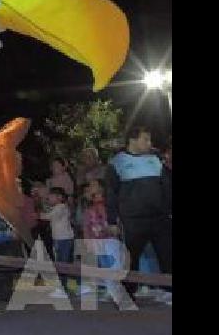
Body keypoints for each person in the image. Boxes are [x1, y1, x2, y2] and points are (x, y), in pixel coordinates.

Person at [106, 126, 172, 305]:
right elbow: (111, 193)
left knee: (167, 255)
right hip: (133, 220)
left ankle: (168, 290)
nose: (149, 143)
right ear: (132, 140)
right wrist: (112, 220)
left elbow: (166, 186)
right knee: (131, 259)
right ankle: (127, 294)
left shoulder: (156, 159)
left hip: (159, 218)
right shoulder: (116, 162)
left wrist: (169, 210)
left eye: (150, 140)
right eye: (146, 139)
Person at [39, 187, 92, 298]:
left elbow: (49, 216)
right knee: (68, 262)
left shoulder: (61, 207)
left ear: (59, 197)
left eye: (51, 196)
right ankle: (81, 286)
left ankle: (62, 289)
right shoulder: (59, 207)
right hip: (64, 239)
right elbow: (48, 212)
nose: (49, 198)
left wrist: (37, 215)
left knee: (62, 263)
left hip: (63, 240)